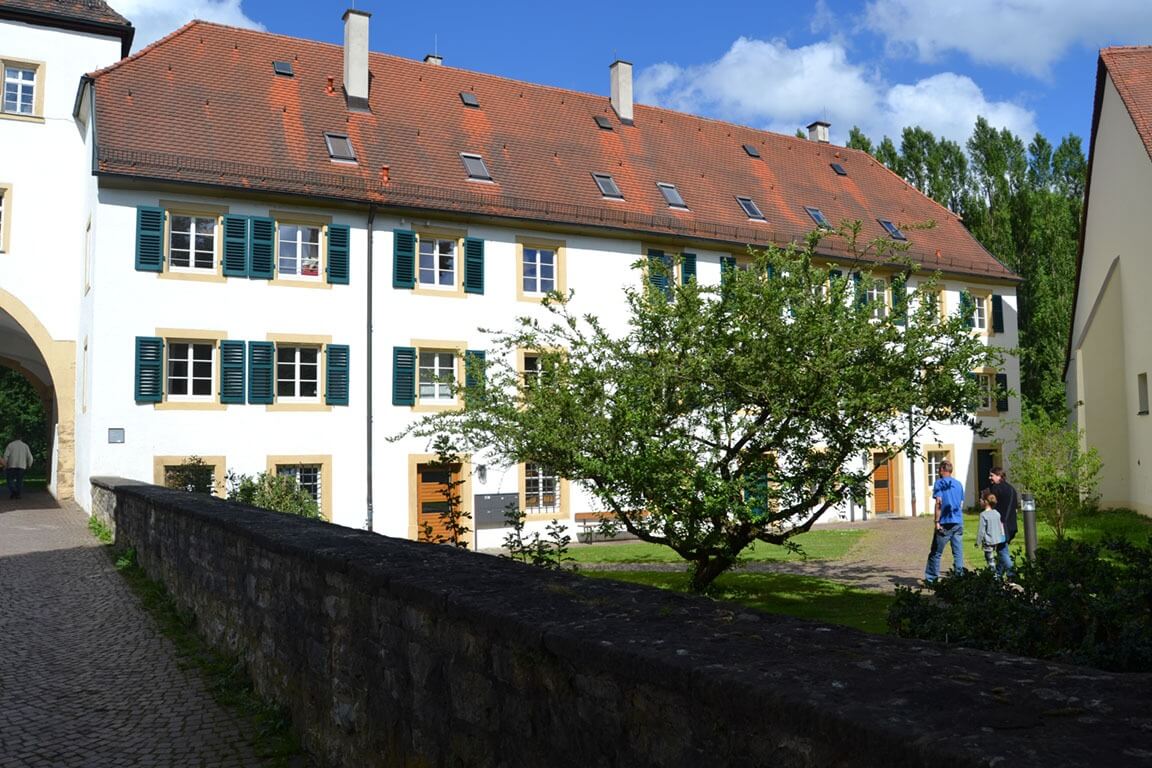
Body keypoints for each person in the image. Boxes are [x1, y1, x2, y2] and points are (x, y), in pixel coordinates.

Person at [924, 459, 965, 581]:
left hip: (945, 522)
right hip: (958, 521)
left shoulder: (939, 483)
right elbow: (961, 503)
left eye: (939, 469)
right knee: (957, 552)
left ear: (942, 470)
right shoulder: (958, 484)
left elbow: (938, 503)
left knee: (936, 552)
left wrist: (937, 522)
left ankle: (931, 579)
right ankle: (960, 577)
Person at [987, 466, 1018, 577]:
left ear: (999, 476)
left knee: (1002, 551)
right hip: (1012, 524)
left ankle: (1012, 574)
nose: (989, 477)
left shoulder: (996, 488)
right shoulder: (1011, 488)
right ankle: (998, 575)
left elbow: (993, 507)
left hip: (1001, 524)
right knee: (1002, 548)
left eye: (992, 475)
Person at [976, 492, 1006, 571]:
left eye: (981, 500)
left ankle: (993, 577)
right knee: (997, 559)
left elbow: (981, 530)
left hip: (988, 541)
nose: (980, 501)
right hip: (997, 540)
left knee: (990, 560)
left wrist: (978, 542)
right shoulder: (997, 513)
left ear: (986, 502)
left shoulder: (983, 515)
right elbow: (1000, 526)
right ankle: (998, 574)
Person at [3, 435, 34, 500]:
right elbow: (30, 457)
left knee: (10, 480)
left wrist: (5, 464)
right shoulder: (25, 446)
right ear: (21, 438)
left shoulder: (10, 445)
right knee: (19, 481)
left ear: (14, 438)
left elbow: (6, 455)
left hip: (11, 465)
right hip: (22, 466)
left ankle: (13, 492)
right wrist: (29, 465)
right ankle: (18, 493)